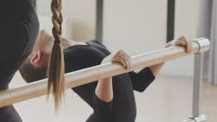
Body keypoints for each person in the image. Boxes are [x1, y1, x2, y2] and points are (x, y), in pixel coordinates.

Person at [19, 29, 192, 122]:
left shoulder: (84, 45)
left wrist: (168, 49)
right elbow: (102, 108)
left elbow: (138, 82)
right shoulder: (67, 60)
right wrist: (105, 71)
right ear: (36, 57)